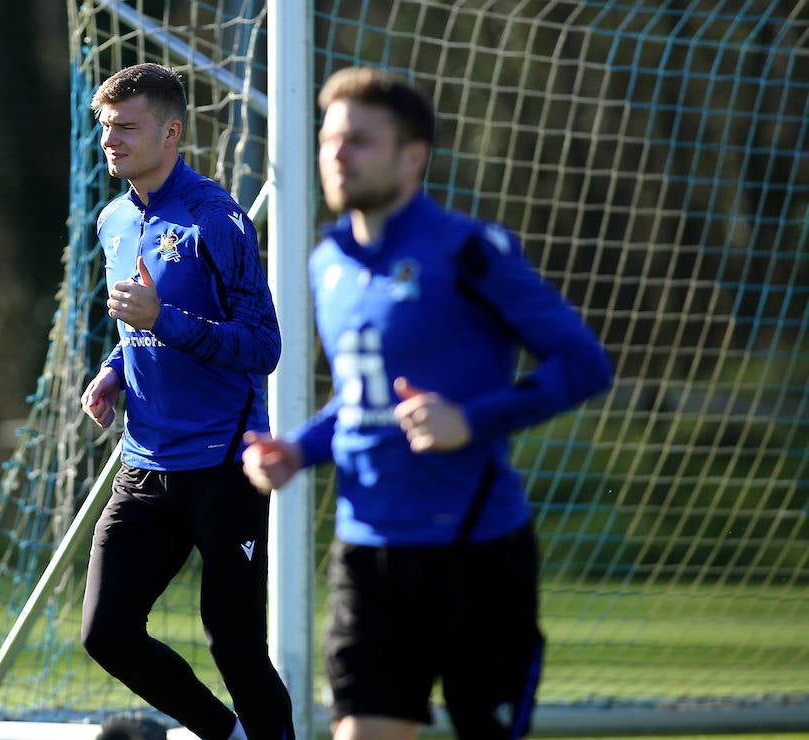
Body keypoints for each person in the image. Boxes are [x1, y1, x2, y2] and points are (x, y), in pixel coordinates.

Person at [242, 67, 613, 740]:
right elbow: (362, 400)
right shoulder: (327, 261)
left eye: (359, 141)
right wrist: (297, 450)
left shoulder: (469, 251)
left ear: (413, 157)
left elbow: (584, 365)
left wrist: (471, 421)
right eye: (329, 140)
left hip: (476, 551)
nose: (337, 155)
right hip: (367, 553)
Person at [78, 63, 294, 740]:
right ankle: (225, 736)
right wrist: (113, 371)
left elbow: (262, 347)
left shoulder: (217, 219)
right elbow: (135, 324)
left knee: (235, 645)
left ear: (170, 133)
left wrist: (162, 321)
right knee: (106, 632)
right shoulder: (113, 219)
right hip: (145, 465)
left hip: (223, 467)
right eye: (105, 126)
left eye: (126, 126)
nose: (110, 140)